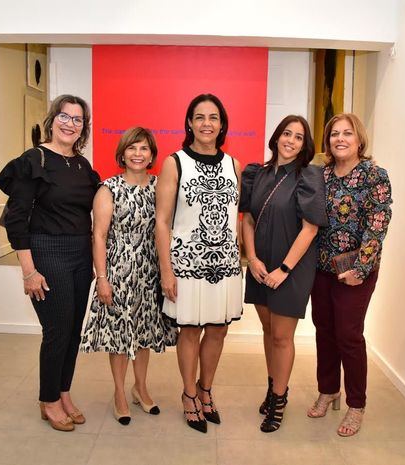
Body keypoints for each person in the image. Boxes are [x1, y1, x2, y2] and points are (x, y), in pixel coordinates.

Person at [0, 94, 100, 432]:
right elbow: (16, 219)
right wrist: (29, 271)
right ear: (52, 119)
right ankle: (48, 400)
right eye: (64, 117)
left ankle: (63, 392)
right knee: (56, 331)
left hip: (80, 254)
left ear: (84, 127)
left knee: (73, 332)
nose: (70, 124)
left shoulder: (82, 165)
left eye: (78, 119)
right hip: (46, 251)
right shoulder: (34, 159)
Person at [155, 94, 242, 433]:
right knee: (189, 330)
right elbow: (162, 221)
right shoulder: (173, 162)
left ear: (222, 125)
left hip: (225, 266)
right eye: (200, 117)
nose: (207, 123)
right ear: (189, 122)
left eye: (214, 117)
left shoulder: (234, 164)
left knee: (218, 330)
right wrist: (167, 270)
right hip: (187, 265)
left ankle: (206, 390)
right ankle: (189, 394)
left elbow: (237, 216)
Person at [80, 127, 177, 425]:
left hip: (150, 270)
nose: (138, 154)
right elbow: (98, 235)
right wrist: (102, 278)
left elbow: (168, 228)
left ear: (152, 155)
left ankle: (141, 388)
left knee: (145, 331)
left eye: (144, 149)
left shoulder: (161, 186)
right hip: (118, 270)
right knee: (120, 335)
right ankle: (119, 393)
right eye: (132, 148)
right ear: (122, 154)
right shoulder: (108, 189)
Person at [240, 115, 327, 432]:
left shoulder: (309, 176)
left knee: (281, 336)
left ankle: (279, 399)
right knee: (267, 330)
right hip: (261, 265)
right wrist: (252, 258)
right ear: (276, 137)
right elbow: (248, 219)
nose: (291, 140)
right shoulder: (257, 174)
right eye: (286, 134)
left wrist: (284, 269)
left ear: (305, 145)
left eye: (299, 137)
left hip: (291, 267)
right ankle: (272, 385)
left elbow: (310, 228)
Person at [308, 113, 392, 437]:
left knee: (349, 335)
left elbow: (378, 225)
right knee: (324, 330)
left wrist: (360, 268)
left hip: (357, 270)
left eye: (347, 133)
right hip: (323, 267)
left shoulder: (374, 175)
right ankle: (329, 390)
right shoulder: (321, 175)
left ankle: (356, 404)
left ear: (359, 140)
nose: (340, 139)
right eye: (334, 134)